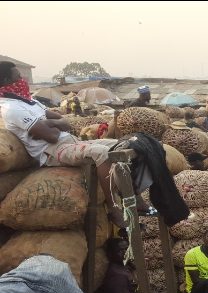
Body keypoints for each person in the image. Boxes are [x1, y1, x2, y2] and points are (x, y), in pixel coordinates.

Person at [0, 61, 125, 226]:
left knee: (121, 144)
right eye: (18, 77)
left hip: (69, 142)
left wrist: (47, 124)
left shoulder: (30, 102)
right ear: (4, 80)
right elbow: (51, 137)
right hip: (52, 151)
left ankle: (133, 198)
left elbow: (66, 123)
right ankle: (114, 208)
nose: (23, 80)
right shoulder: (11, 109)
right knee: (100, 152)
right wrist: (51, 125)